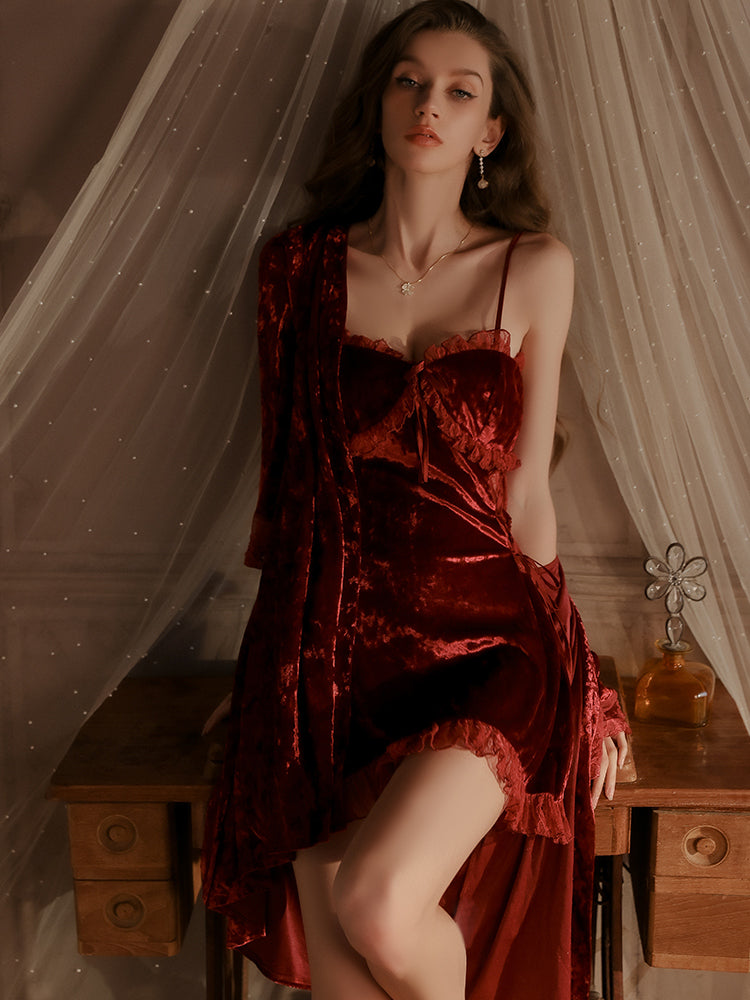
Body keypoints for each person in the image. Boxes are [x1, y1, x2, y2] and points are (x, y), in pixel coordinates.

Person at [201, 3, 629, 998]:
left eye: (459, 90)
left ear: (490, 133)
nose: (428, 104)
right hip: (343, 651)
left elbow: (529, 497)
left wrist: (591, 681)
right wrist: (268, 670)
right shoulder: (297, 272)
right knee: (322, 877)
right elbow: (288, 491)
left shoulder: (535, 267)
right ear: (378, 101)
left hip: (496, 651)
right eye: (408, 80)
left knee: (377, 899)